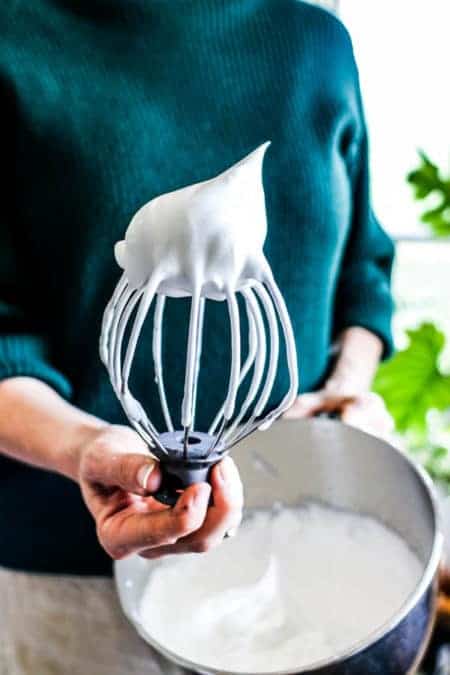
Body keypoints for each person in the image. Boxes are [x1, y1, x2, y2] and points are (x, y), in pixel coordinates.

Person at [0, 1, 394, 673]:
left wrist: (347, 388)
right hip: (78, 575)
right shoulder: (16, 40)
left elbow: (363, 269)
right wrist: (87, 445)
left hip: (304, 546)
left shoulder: (317, 42)